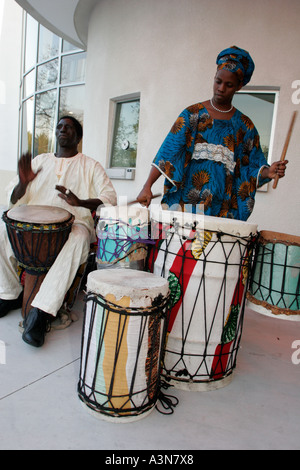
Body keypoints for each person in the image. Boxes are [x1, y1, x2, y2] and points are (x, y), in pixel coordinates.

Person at [0, 115, 117, 347]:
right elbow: (11, 198)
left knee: (80, 237)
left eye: (69, 127)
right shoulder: (39, 161)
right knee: (2, 229)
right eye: (59, 126)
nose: (62, 130)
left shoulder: (90, 165)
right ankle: (8, 293)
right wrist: (23, 184)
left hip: (73, 223)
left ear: (78, 137)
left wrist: (81, 201)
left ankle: (41, 313)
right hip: (31, 225)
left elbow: (109, 199)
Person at [137, 46, 288, 220]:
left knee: (214, 248)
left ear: (239, 86)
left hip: (222, 209)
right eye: (218, 81)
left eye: (229, 85)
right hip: (185, 207)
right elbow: (168, 153)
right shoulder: (192, 114)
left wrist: (268, 172)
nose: (221, 88)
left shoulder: (245, 127)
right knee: (179, 247)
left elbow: (251, 167)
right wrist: (147, 185)